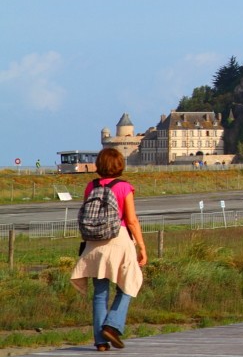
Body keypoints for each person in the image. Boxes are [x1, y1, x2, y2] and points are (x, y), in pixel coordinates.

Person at [69, 148, 147, 351]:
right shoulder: (124, 187)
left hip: (94, 243)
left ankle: (101, 342)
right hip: (118, 238)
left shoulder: (91, 186)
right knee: (129, 283)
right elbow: (131, 220)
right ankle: (112, 325)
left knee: (100, 293)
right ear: (120, 164)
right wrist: (142, 246)